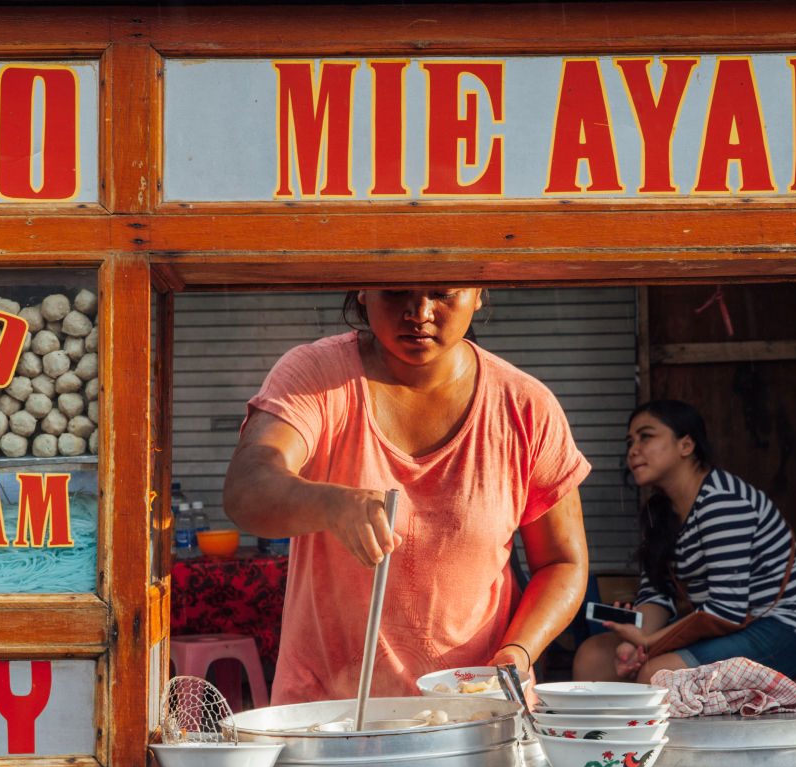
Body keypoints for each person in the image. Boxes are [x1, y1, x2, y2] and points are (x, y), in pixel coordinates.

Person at [223, 289, 592, 705]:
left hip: (470, 710)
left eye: (442, 293)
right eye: (398, 290)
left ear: (477, 293)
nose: (419, 312)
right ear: (364, 289)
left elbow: (562, 561)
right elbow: (246, 488)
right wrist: (330, 504)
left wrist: (518, 651)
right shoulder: (315, 376)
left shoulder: (526, 407)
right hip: (325, 712)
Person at [572, 400, 796, 684]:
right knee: (592, 657)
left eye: (646, 436)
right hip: (725, 627)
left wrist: (649, 642)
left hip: (785, 629)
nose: (633, 450)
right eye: (630, 441)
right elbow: (657, 593)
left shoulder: (722, 502)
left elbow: (727, 611)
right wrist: (633, 642)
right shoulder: (661, 511)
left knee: (658, 676)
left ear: (686, 445)